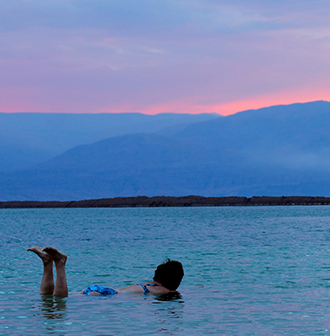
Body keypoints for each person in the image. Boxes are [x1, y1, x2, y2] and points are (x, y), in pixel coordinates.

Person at [27, 246, 184, 297]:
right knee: (60, 302)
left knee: (48, 299)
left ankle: (47, 263)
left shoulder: (147, 283)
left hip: (102, 289)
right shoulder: (165, 291)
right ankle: (59, 264)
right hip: (107, 295)